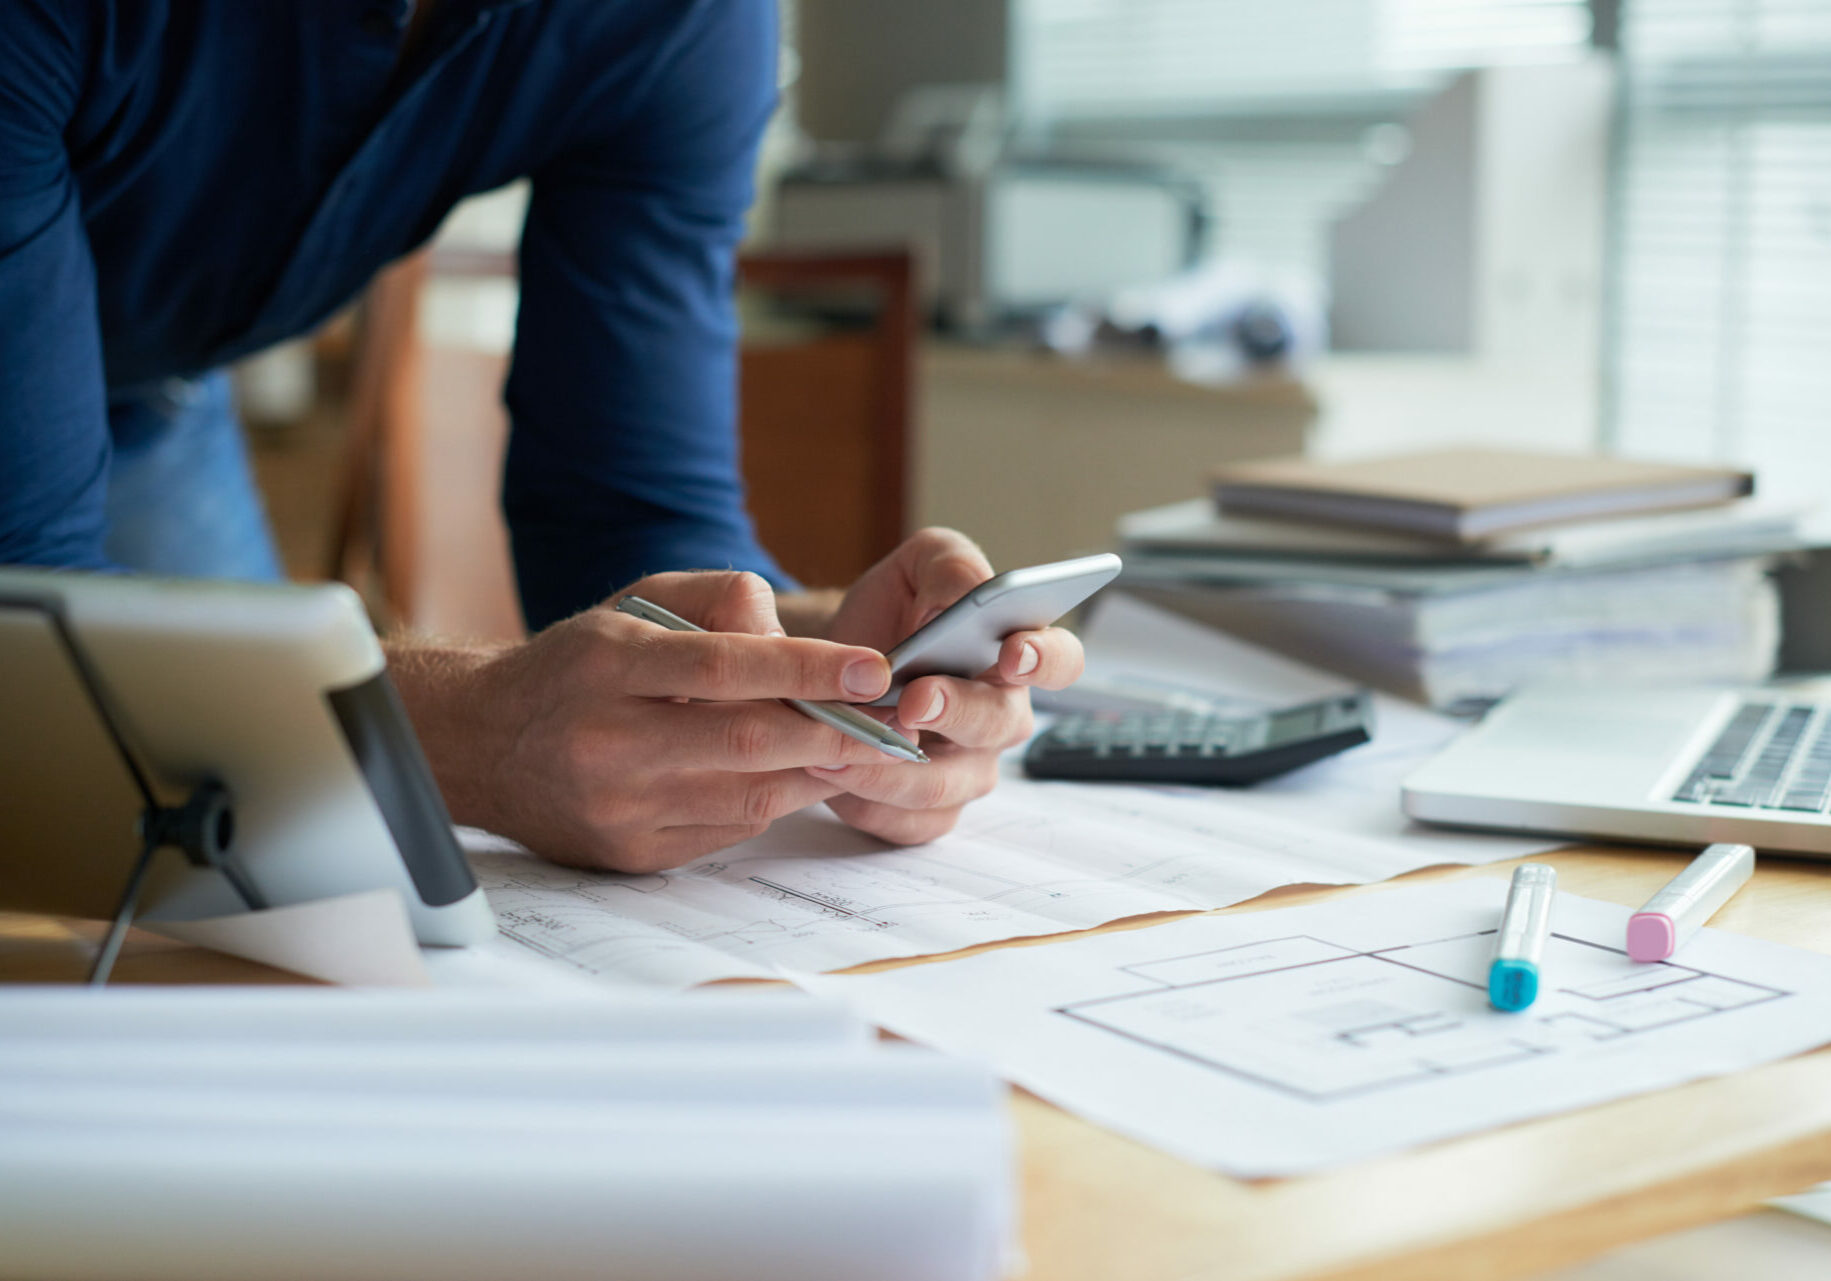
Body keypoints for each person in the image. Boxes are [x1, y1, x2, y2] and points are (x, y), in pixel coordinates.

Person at [0, 0, 1083, 872]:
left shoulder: (684, 21)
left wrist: (825, 667)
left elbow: (628, 516)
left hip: (154, 385)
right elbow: (23, 640)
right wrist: (469, 736)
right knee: (85, 801)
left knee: (233, 867)